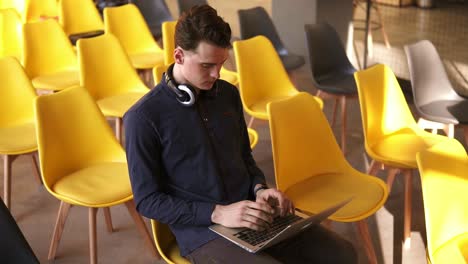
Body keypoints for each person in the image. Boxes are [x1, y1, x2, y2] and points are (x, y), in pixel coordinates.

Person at [124, 4, 357, 263]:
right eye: (206, 65)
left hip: (254, 213)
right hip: (204, 231)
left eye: (221, 64)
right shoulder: (143, 118)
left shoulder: (227, 94)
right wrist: (217, 213)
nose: (216, 74)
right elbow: (148, 201)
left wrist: (259, 189)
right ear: (178, 56)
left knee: (342, 254)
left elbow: (245, 157)